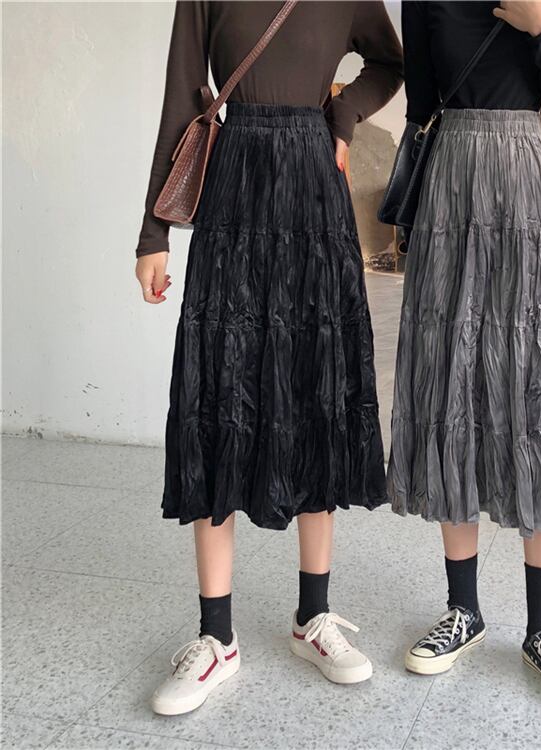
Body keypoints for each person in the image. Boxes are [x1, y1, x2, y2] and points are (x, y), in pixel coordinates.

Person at [134, 1, 402, 715]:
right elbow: (181, 96)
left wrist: (343, 116)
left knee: (316, 389)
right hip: (234, 192)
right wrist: (153, 233)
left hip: (314, 194)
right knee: (217, 395)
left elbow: (389, 62)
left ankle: (314, 616)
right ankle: (216, 636)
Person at [388, 0, 541, 708]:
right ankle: (464, 610)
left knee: (537, 394)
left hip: (526, 193)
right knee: (451, 383)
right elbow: (422, 103)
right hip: (450, 195)